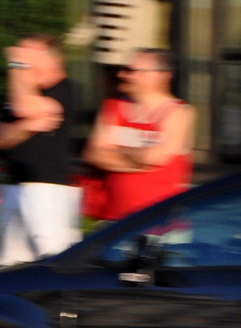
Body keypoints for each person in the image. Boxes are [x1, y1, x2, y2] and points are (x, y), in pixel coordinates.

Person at [0, 34, 80, 265]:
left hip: (46, 187)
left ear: (50, 58)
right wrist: (26, 125)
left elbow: (22, 107)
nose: (21, 59)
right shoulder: (19, 90)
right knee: (7, 264)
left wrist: (16, 65)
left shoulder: (62, 90)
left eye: (28, 54)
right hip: (13, 185)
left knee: (53, 258)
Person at [83, 48, 193, 221]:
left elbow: (154, 158)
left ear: (161, 76)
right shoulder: (112, 107)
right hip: (112, 220)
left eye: (131, 71)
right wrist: (139, 160)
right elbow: (93, 154)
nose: (122, 75)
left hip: (159, 222)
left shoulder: (178, 112)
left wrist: (113, 150)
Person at [69, 0, 162, 107]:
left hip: (132, 69)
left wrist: (142, 68)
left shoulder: (144, 2)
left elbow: (149, 39)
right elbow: (89, 28)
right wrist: (67, 42)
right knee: (110, 108)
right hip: (106, 69)